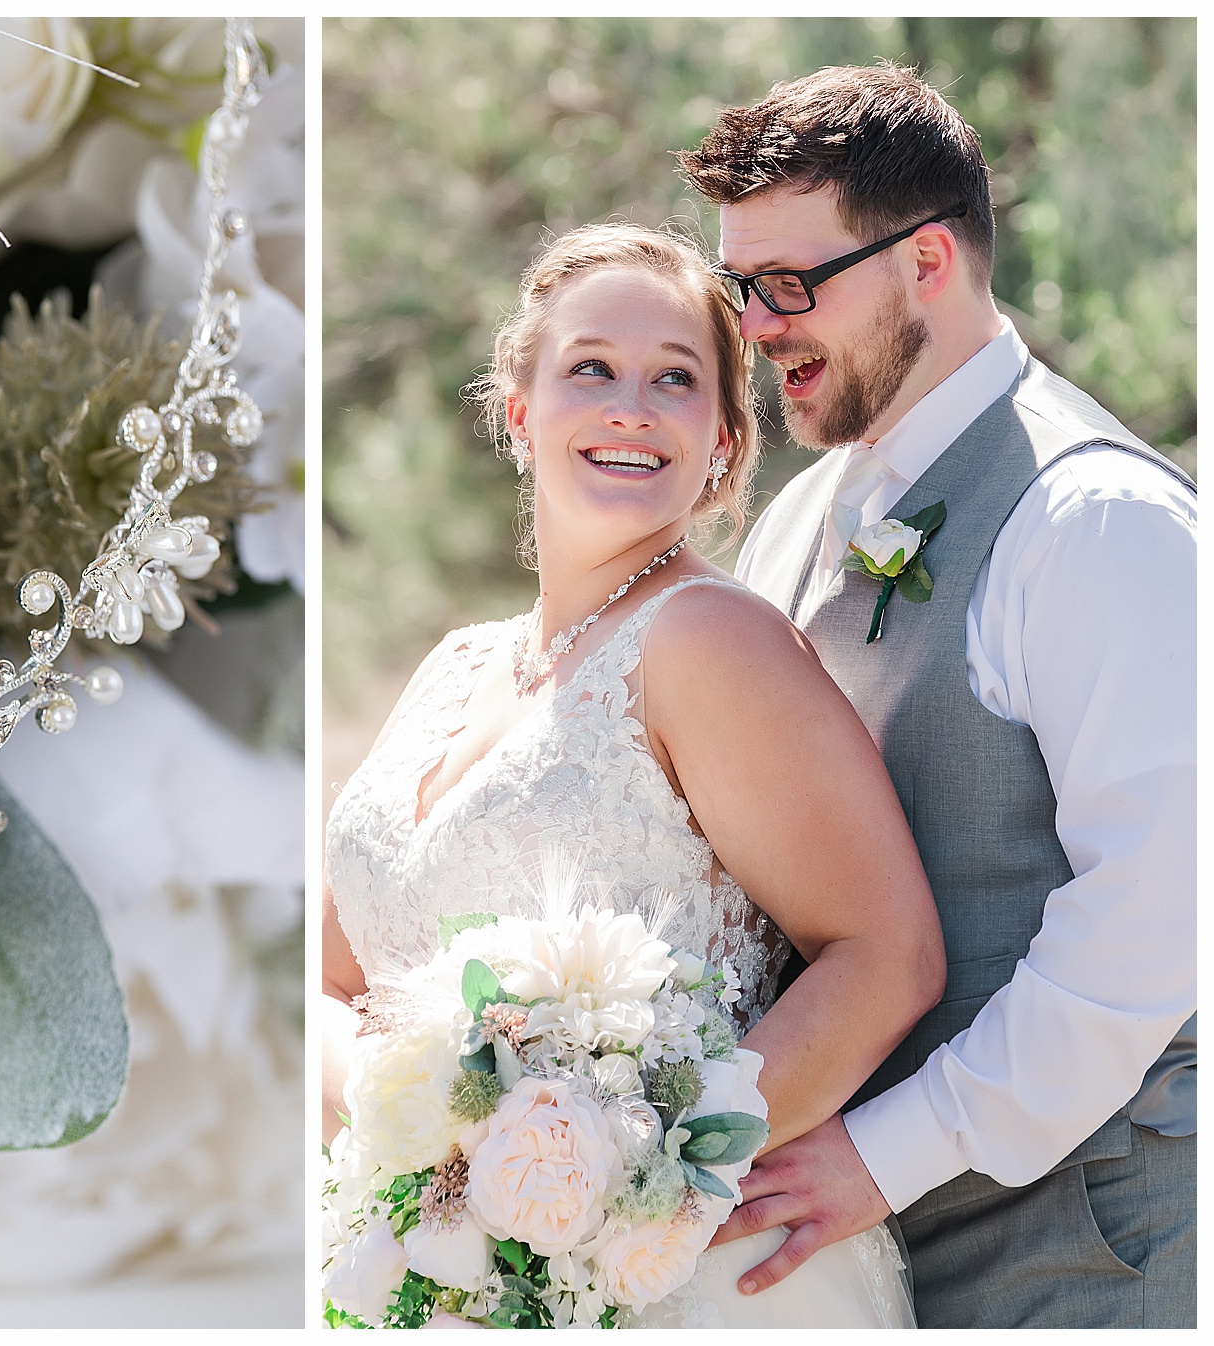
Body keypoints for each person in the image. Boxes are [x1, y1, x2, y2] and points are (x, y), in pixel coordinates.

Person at [322, 222, 944, 1326]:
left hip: (669, 1284)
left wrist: (626, 1181)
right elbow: (334, 980)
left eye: (675, 380)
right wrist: (407, 1169)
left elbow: (888, 955)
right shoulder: (454, 664)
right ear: (521, 411)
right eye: (591, 369)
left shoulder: (708, 641)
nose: (630, 406)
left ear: (721, 442)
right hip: (425, 1278)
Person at [680, 63, 1195, 1329]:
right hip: (857, 1257)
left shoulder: (1100, 523)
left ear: (928, 265)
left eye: (792, 285)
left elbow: (1155, 927)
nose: (756, 327)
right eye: (743, 289)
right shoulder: (804, 511)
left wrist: (883, 1154)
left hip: (1087, 1248)